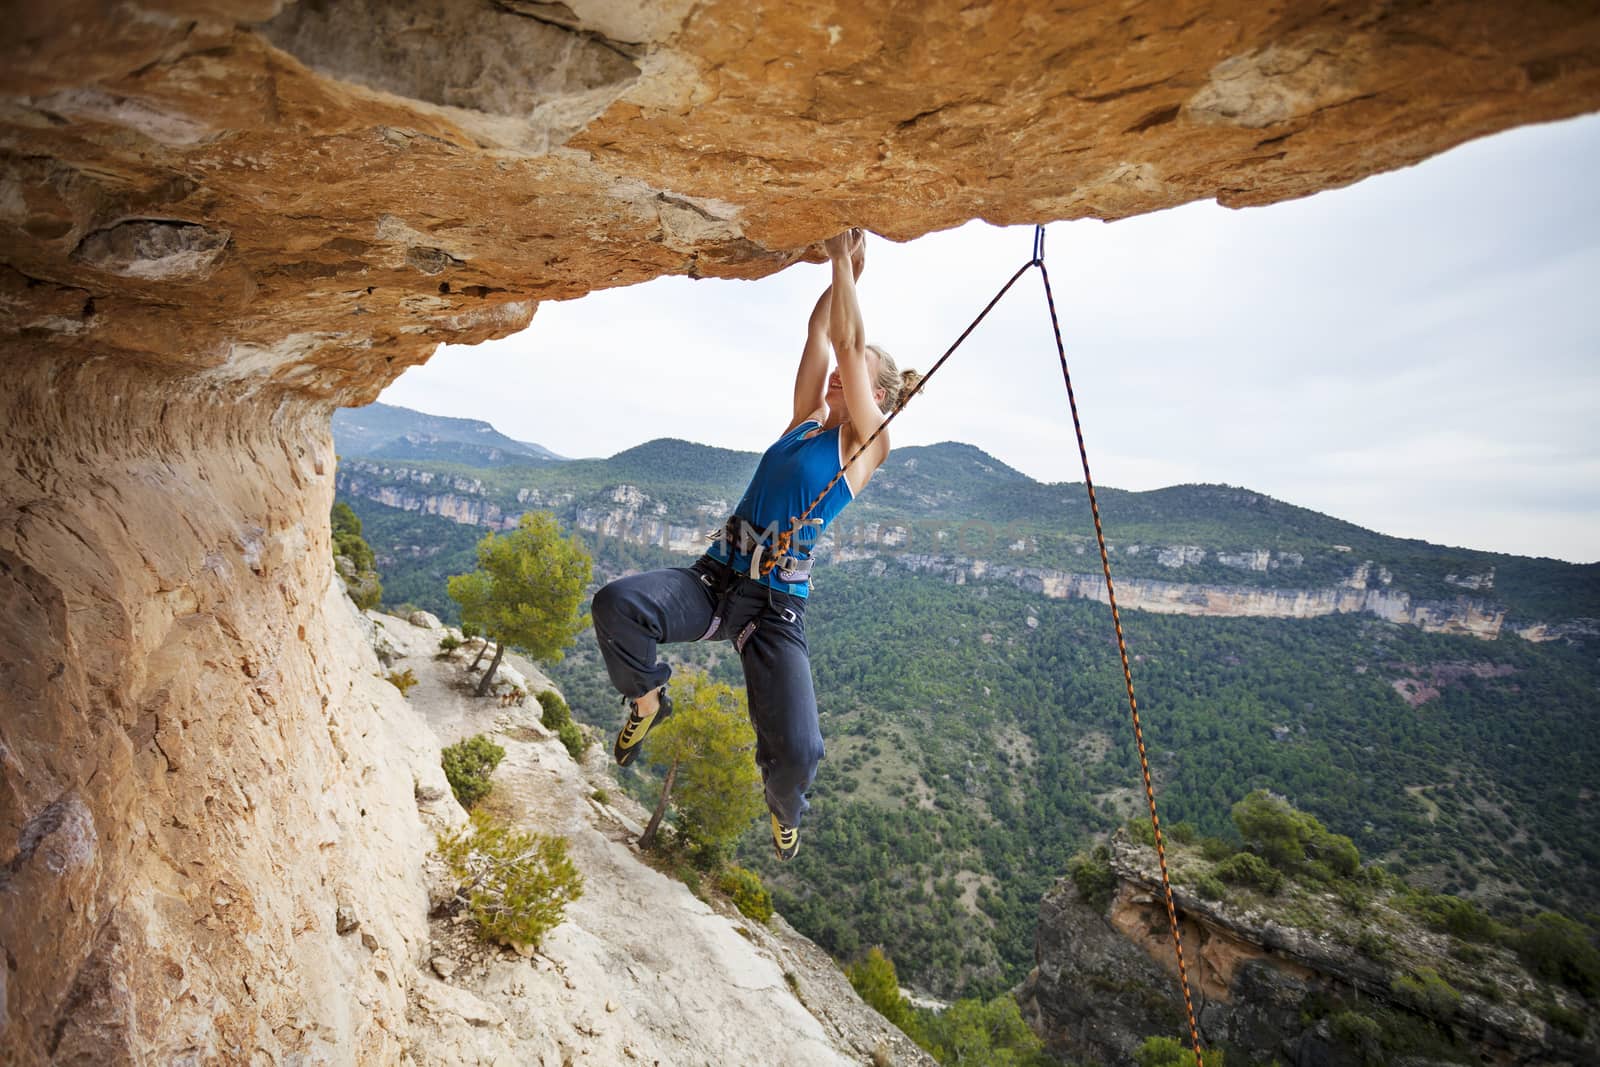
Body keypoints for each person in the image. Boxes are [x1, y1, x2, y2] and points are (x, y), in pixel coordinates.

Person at [589, 228, 921, 860]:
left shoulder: (866, 444)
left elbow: (848, 342)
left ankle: (784, 809)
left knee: (799, 749)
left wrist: (838, 264)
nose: (835, 382)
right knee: (616, 603)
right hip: (716, 580)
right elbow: (821, 336)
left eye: (855, 380)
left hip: (774, 609)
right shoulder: (802, 426)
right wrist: (843, 271)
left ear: (874, 397)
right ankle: (646, 697)